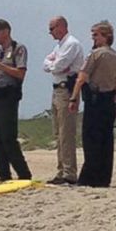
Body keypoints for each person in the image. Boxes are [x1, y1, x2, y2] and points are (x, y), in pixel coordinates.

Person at [69, 20, 116, 187]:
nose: (93, 38)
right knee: (106, 141)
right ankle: (103, 177)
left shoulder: (95, 54)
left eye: (96, 35)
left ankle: (89, 177)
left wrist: (73, 97)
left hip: (95, 100)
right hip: (109, 101)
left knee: (91, 139)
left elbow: (82, 77)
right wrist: (114, 98)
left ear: (106, 36)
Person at [0, 19, 32, 181]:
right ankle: (4, 173)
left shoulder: (18, 49)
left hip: (8, 96)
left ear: (5, 32)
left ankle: (23, 173)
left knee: (8, 137)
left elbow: (20, 73)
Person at [42, 16, 84, 185]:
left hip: (67, 89)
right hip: (56, 89)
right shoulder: (59, 45)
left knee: (66, 133)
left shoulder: (72, 44)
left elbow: (58, 66)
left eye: (52, 29)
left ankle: (69, 172)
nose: (50, 32)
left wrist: (55, 65)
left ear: (61, 27)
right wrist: (54, 65)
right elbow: (47, 64)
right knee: (58, 133)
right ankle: (61, 170)